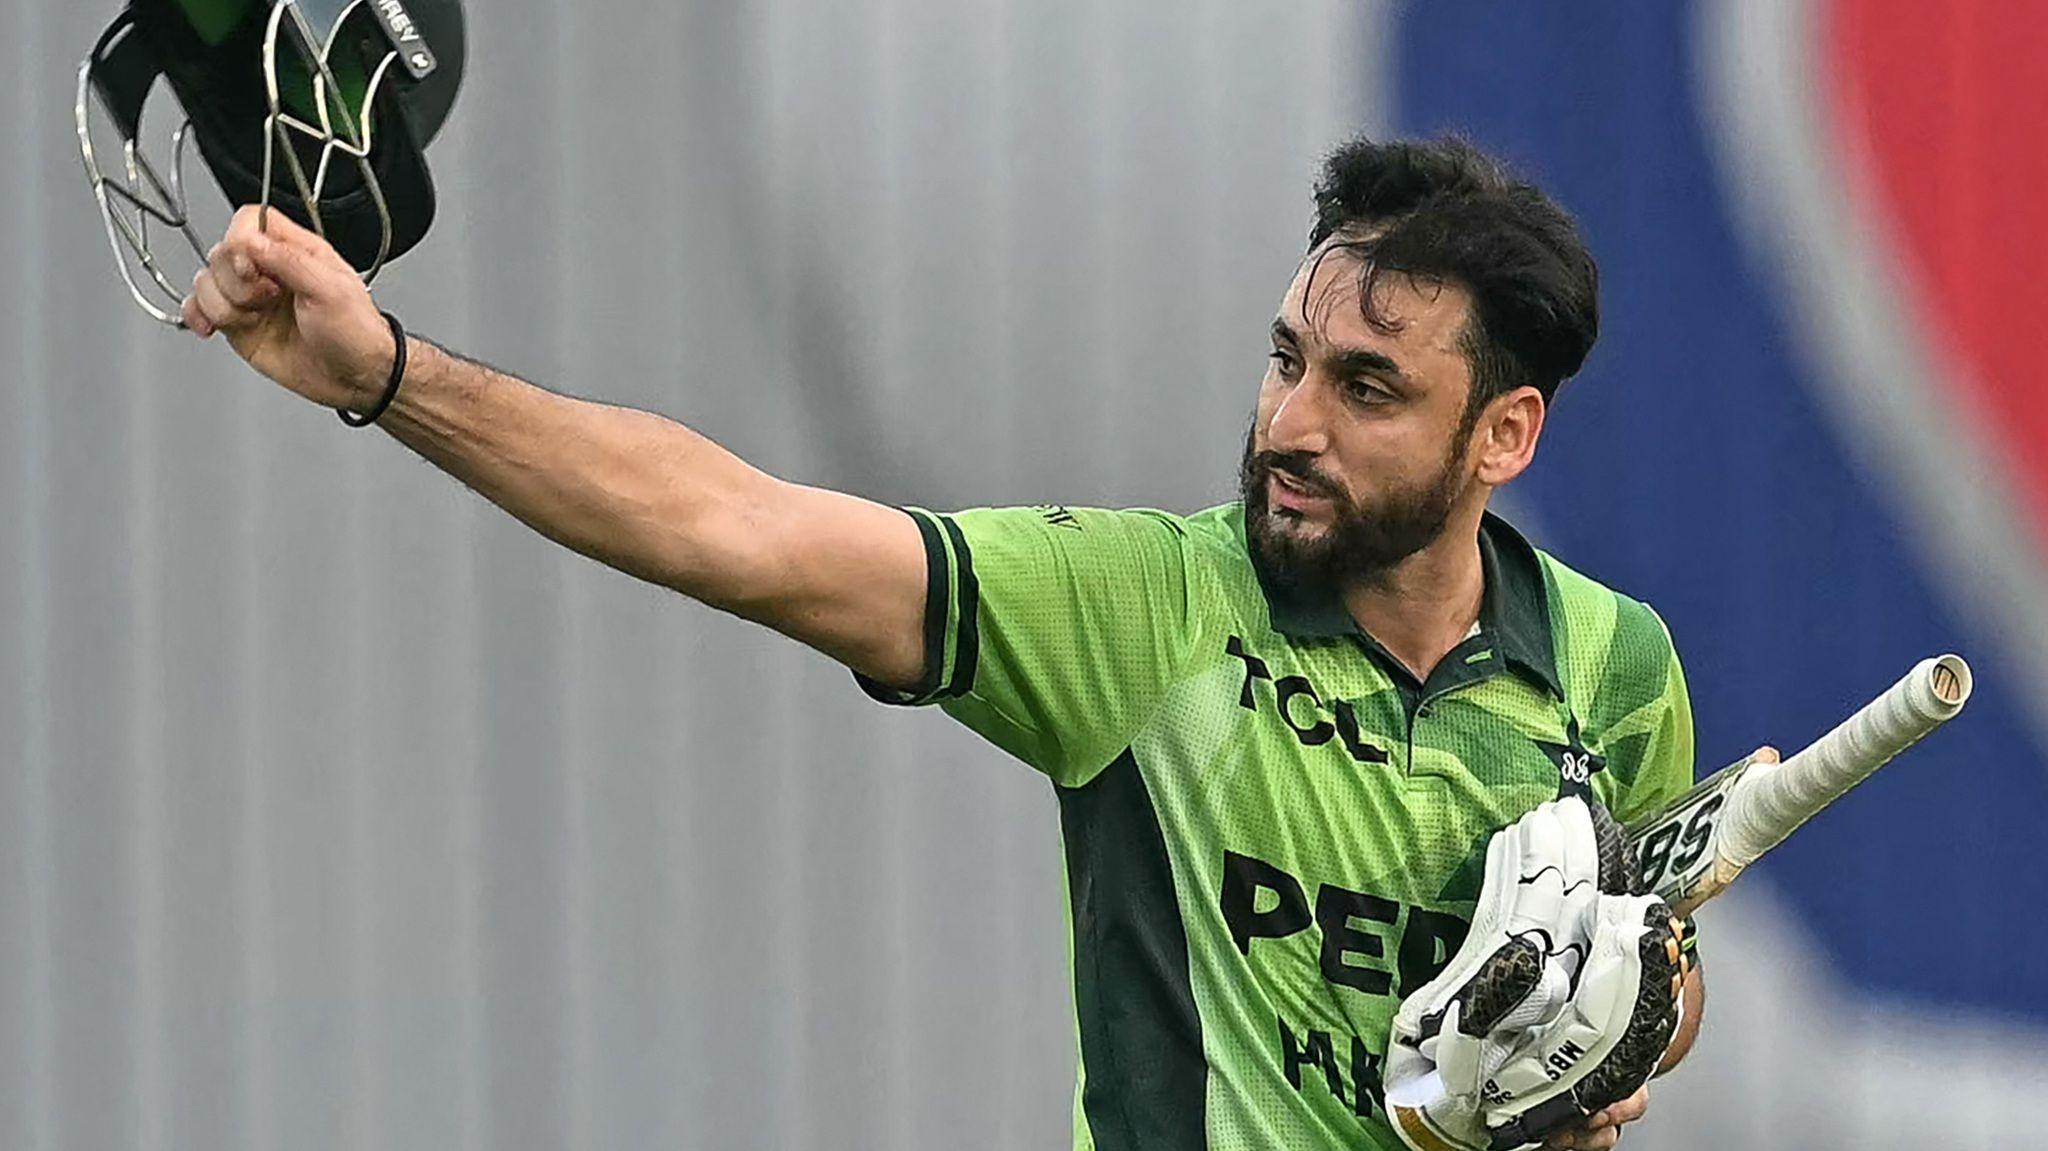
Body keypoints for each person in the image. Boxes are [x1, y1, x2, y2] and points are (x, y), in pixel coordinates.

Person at [182, 137, 1730, 1151]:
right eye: (1285, 360)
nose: (1290, 426)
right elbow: (736, 531)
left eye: (1367, 389)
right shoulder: (1144, 610)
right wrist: (381, 372)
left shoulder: (1611, 670)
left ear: (1504, 432)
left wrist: (1614, 1044)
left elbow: (1650, 968)